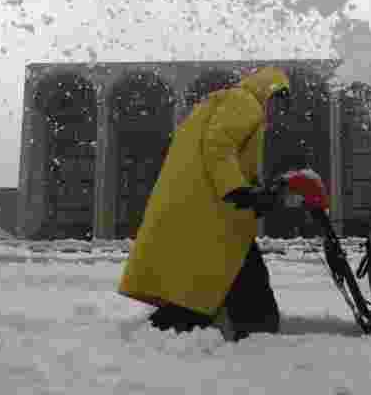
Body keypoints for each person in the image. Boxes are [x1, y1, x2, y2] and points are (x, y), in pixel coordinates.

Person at [118, 66, 292, 341]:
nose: (277, 112)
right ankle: (259, 340)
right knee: (226, 281)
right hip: (216, 214)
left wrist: (253, 192)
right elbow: (218, 145)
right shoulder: (245, 102)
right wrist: (237, 190)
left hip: (202, 208)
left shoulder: (221, 103)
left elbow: (221, 153)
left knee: (208, 283)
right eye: (278, 102)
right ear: (268, 91)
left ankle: (250, 334)